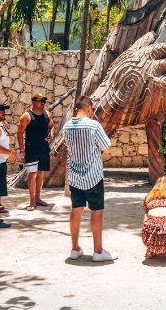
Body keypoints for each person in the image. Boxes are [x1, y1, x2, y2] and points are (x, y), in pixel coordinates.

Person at [63, 96, 116, 261]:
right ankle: (98, 252)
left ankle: (74, 249)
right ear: (89, 109)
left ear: (76, 109)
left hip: (74, 176)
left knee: (76, 209)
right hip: (93, 176)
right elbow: (107, 148)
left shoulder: (66, 126)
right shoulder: (94, 125)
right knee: (96, 212)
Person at [17, 92, 55, 210]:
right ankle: (32, 201)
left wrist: (51, 134)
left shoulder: (47, 114)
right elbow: (19, 133)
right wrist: (22, 150)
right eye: (40, 101)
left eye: (44, 101)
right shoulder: (26, 116)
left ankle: (38, 198)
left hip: (44, 148)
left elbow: (52, 126)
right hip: (31, 149)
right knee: (32, 174)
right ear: (33, 102)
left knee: (40, 174)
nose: (43, 103)